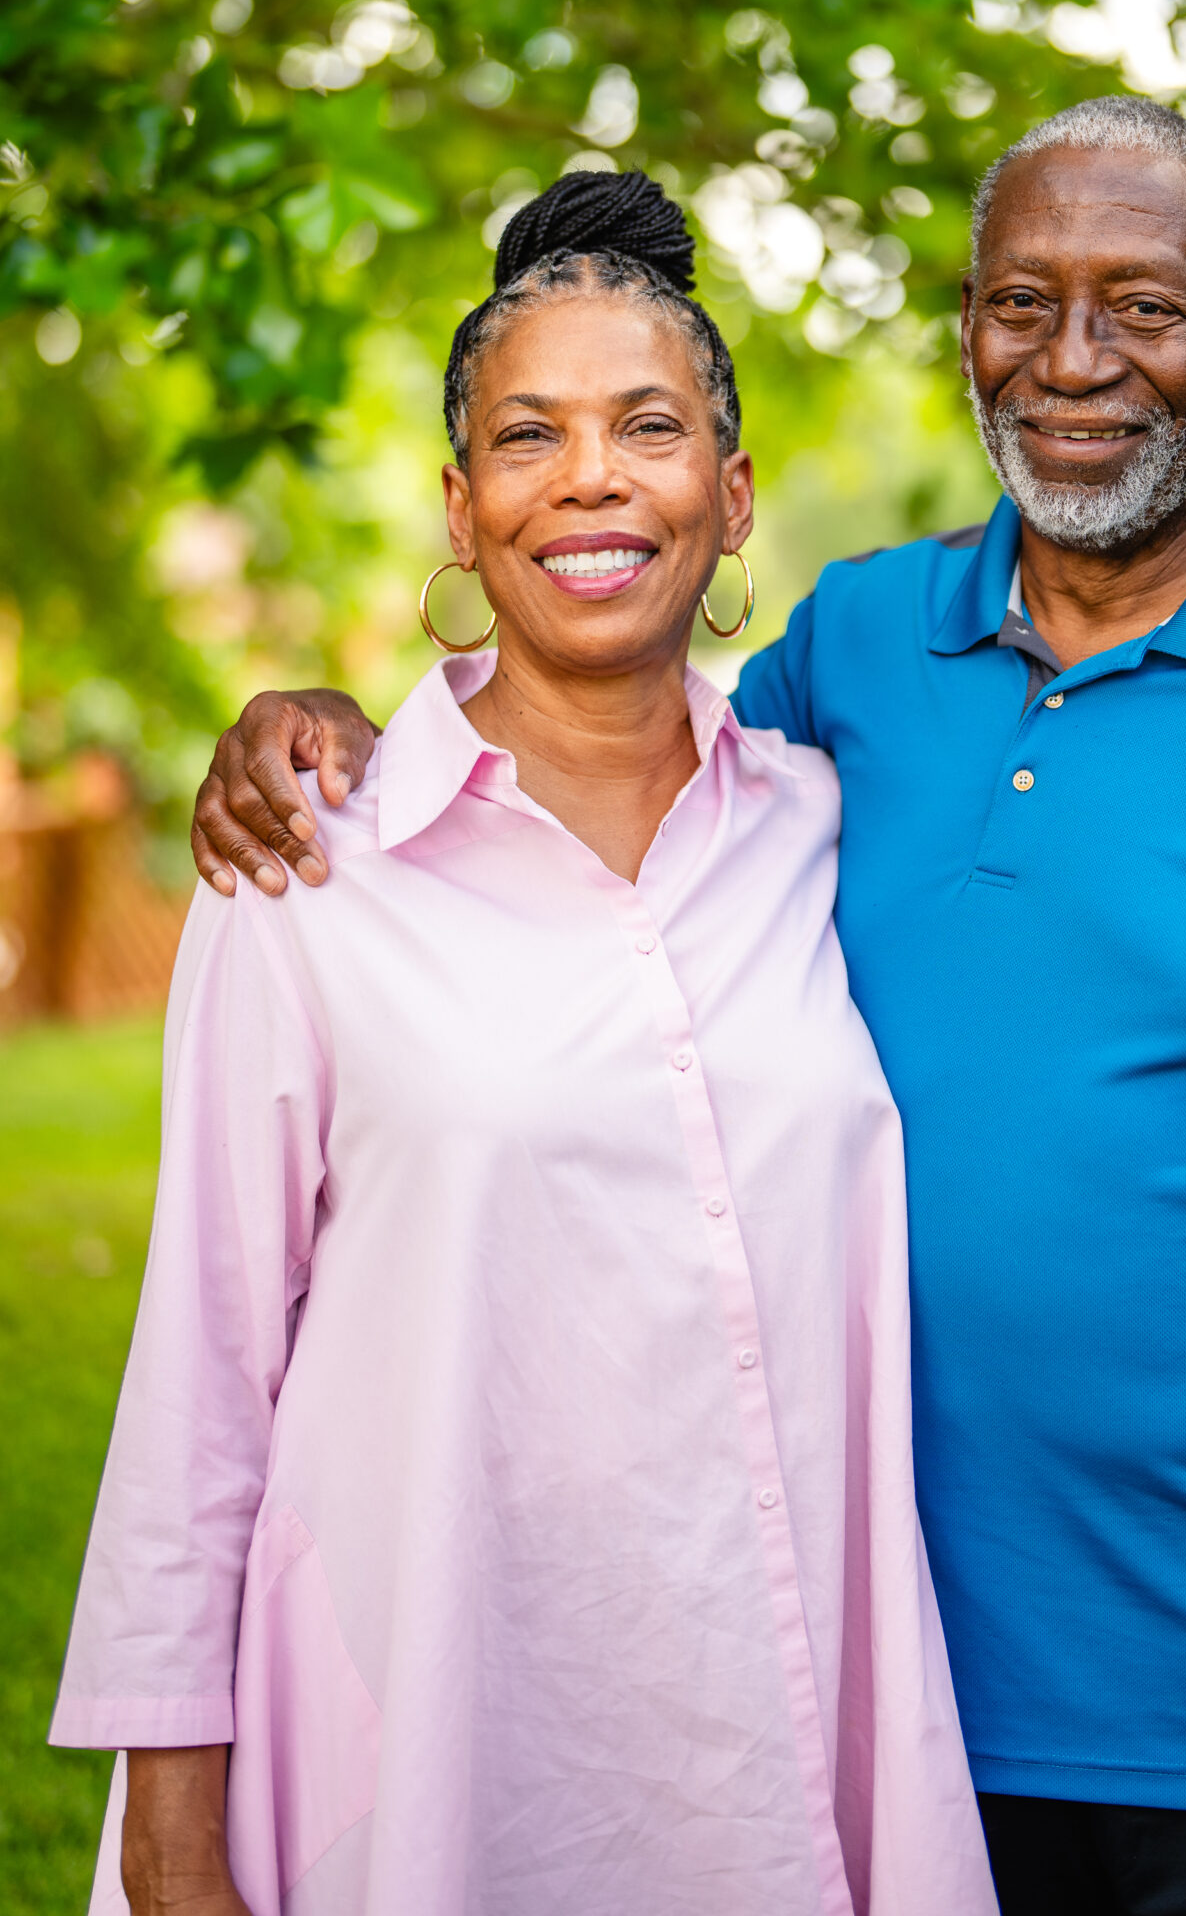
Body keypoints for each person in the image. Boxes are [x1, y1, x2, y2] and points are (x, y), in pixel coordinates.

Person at [188, 99, 1186, 1916]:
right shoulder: (856, 656)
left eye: (1142, 305)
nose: (1073, 362)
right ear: (969, 326)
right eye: (1019, 303)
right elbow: (594, 750)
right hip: (899, 1737)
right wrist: (329, 732)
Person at [51, 173, 998, 1916]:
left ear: (730, 497)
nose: (589, 478)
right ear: (462, 505)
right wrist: (166, 1819)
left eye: (649, 427)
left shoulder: (828, 830)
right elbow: (200, 1373)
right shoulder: (306, 874)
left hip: (768, 1732)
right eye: (528, 435)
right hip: (420, 1738)